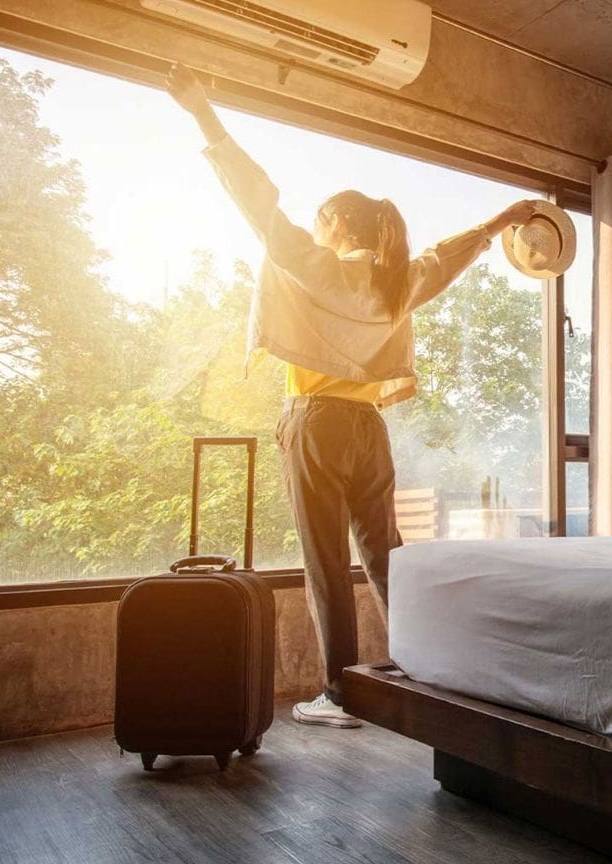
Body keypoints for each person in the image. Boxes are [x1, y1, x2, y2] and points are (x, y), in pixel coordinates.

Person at [166, 63, 538, 728]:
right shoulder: (396, 282)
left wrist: (203, 113)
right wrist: (498, 221)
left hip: (315, 424)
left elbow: (253, 197)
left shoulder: (314, 265)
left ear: (335, 222)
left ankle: (337, 692)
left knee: (324, 561)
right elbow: (451, 257)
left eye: (318, 223)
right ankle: (420, 668)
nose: (312, 233)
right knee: (385, 553)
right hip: (369, 428)